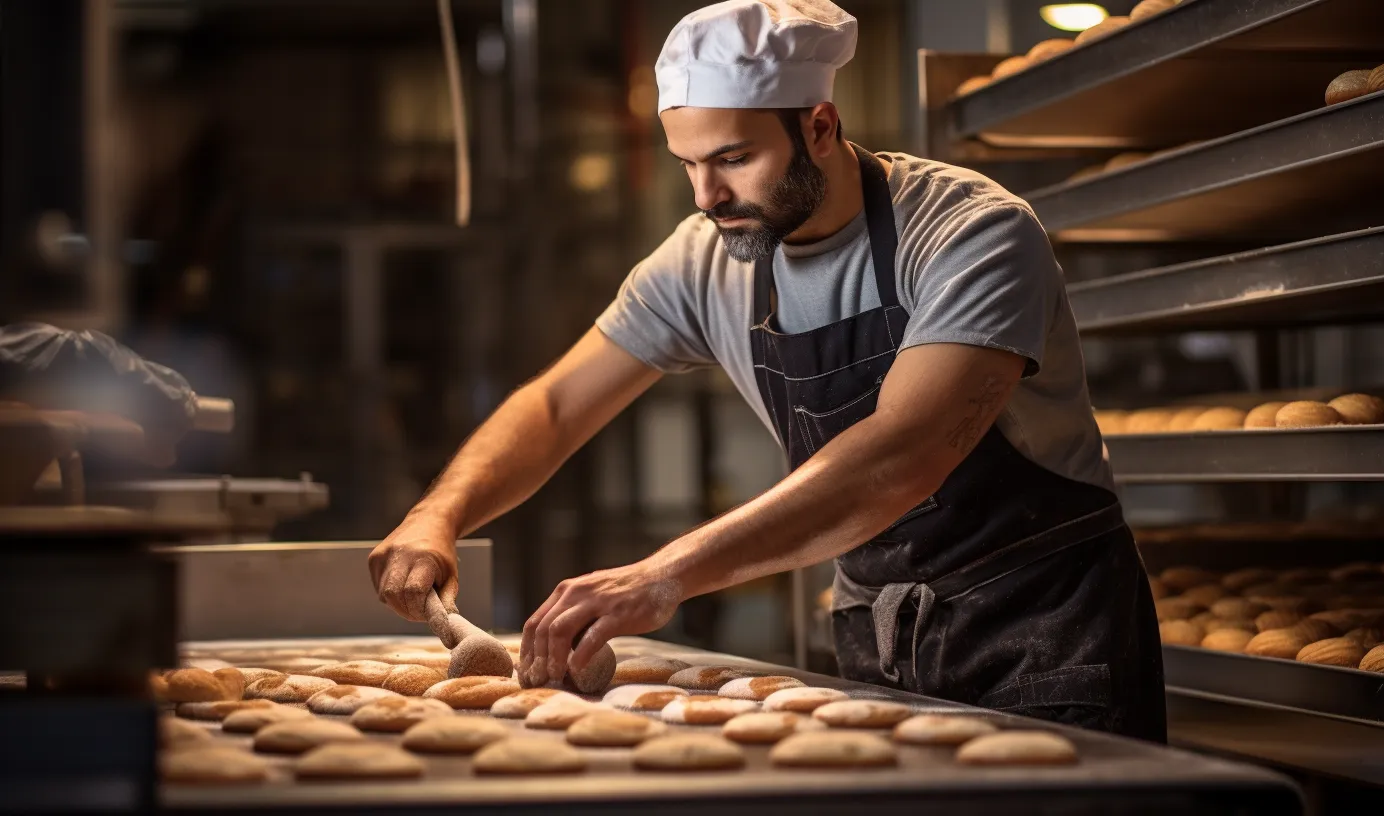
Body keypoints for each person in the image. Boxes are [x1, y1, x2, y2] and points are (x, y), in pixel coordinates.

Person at [369, 0, 1165, 742]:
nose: (709, 196)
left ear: (820, 125)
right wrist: (442, 514)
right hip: (879, 631)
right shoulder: (703, 259)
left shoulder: (971, 234)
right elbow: (553, 406)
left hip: (1047, 630)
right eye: (686, 164)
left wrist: (662, 576)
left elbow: (903, 455)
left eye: (734, 159)